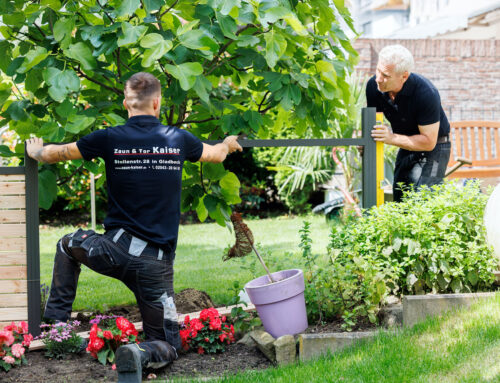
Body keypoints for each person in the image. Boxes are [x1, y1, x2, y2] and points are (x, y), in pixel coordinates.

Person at [26, 72, 242, 383]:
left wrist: (35, 151)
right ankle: (140, 353)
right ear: (158, 103)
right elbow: (216, 154)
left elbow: (53, 154)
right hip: (154, 267)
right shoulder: (178, 139)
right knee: (167, 344)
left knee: (66, 244)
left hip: (113, 251)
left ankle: (57, 327)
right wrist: (227, 142)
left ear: (126, 103)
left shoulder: (109, 137)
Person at [367, 44, 451, 202]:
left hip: (435, 147)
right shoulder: (374, 86)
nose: (378, 78)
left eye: (385, 75)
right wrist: (365, 140)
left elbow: (428, 142)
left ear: (404, 76)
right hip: (406, 144)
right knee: (400, 199)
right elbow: (372, 121)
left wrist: (390, 138)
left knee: (424, 201)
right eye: (378, 70)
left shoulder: (426, 93)